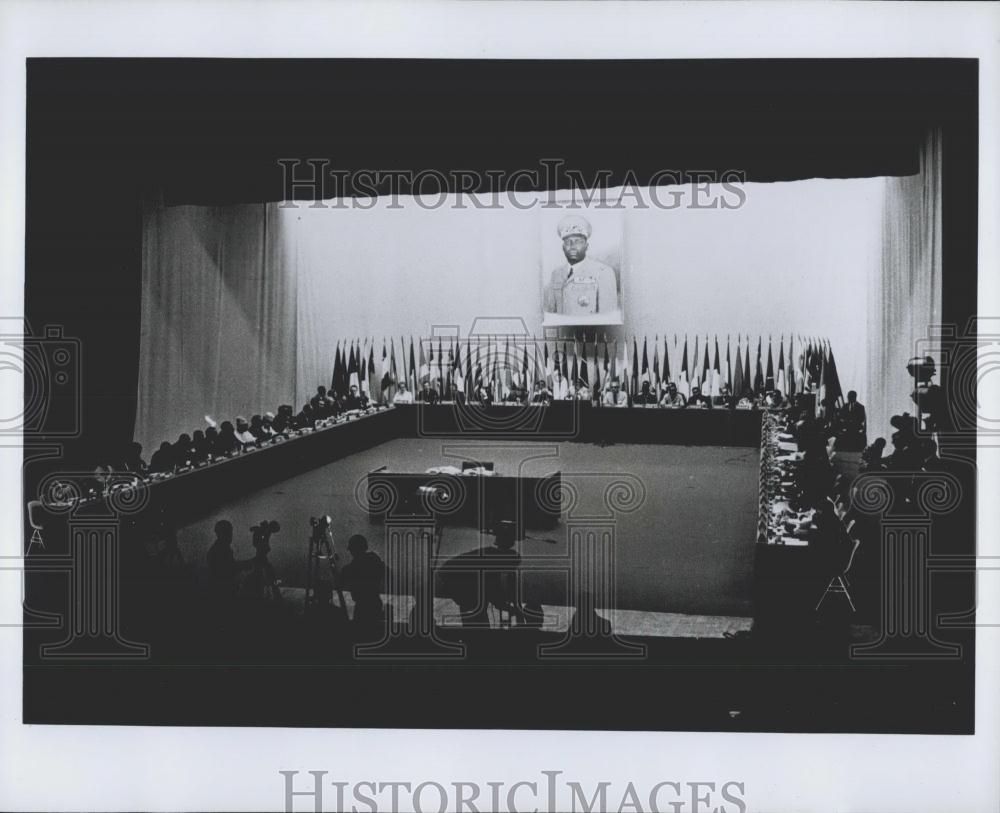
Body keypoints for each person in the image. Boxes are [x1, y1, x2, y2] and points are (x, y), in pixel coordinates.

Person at [544, 215, 619, 316]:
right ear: (563, 247)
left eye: (578, 242)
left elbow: (608, 316)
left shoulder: (603, 272)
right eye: (568, 242)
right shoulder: (556, 274)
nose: (572, 246)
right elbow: (551, 314)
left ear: (586, 246)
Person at [338, 534, 388, 625]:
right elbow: (386, 572)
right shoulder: (374, 560)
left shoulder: (351, 568)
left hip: (362, 606)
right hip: (375, 603)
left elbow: (341, 582)